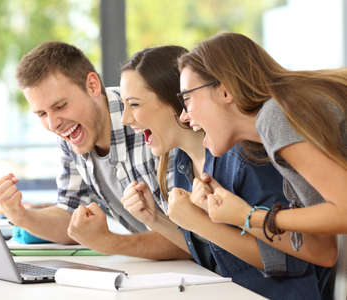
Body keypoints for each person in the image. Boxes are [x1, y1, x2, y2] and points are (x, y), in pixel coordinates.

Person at [119, 45, 335, 299]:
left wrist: (211, 221)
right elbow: (213, 253)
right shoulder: (182, 164)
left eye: (134, 104)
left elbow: (298, 258)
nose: (125, 118)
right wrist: (156, 219)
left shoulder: (247, 154)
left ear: (173, 102)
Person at [0, 41, 189, 260]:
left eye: (60, 106)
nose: (53, 124)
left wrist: (110, 242)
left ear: (93, 86)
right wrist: (20, 216)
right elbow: (69, 216)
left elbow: (192, 240)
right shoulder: (72, 132)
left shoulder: (147, 121)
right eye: (41, 114)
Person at [176, 32, 346, 251]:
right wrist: (241, 216)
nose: (184, 116)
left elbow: (344, 212)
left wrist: (250, 216)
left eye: (187, 98)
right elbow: (323, 247)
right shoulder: (275, 122)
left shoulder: (274, 117)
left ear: (225, 91)